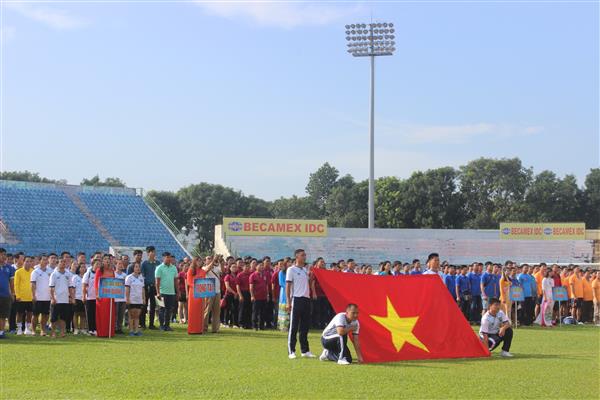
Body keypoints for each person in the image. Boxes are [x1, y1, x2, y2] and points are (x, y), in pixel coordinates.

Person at [286, 249, 315, 359]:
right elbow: (288, 286)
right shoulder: (291, 270)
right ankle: (291, 351)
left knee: (304, 327)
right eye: (302, 255)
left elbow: (309, 282)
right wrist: (289, 302)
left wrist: (311, 276)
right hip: (296, 299)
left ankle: (305, 350)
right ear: (297, 257)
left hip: (306, 299)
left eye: (305, 255)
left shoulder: (305, 270)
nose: (304, 257)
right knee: (294, 326)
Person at [49, 259, 75, 338]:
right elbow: (51, 287)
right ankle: (53, 332)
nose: (63, 263)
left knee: (64, 318)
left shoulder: (68, 274)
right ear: (57, 264)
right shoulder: (54, 274)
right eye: (61, 262)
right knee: (54, 318)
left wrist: (72, 297)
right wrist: (53, 298)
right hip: (57, 299)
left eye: (64, 262)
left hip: (65, 299)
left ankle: (62, 332)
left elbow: (70, 287)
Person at [155, 252, 179, 332]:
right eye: (167, 257)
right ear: (163, 258)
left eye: (170, 257)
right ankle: (161, 325)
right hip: (162, 292)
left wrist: (177, 292)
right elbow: (157, 282)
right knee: (162, 309)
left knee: (169, 310)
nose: (169, 259)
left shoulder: (174, 268)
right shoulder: (159, 268)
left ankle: (167, 325)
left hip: (171, 292)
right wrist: (158, 292)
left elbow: (176, 281)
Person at [30, 254, 53, 336]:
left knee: (45, 315)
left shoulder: (50, 271)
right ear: (40, 261)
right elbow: (32, 284)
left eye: (46, 259)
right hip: (38, 297)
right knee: (35, 315)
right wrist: (33, 295)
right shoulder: (35, 271)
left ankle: (42, 330)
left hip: (47, 297)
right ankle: (33, 330)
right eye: (43, 259)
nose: (45, 261)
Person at [94, 256, 116, 338]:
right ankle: (102, 332)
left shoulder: (112, 271)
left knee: (109, 314)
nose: (107, 261)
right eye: (105, 259)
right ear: (103, 261)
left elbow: (115, 283)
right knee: (102, 315)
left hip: (110, 297)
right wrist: (97, 294)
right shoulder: (99, 270)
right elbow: (96, 283)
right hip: (101, 296)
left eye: (108, 259)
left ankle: (109, 332)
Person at [141, 246, 160, 329]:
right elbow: (142, 275)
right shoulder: (144, 263)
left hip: (155, 287)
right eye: (152, 252)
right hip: (146, 287)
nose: (153, 253)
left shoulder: (158, 263)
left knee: (153, 306)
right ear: (148, 253)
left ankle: (151, 324)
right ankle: (143, 323)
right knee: (144, 306)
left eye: (154, 252)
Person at [14, 255, 33, 335]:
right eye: (27, 261)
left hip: (31, 297)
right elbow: (16, 284)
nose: (28, 263)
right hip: (21, 297)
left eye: (30, 261)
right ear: (23, 262)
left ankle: (27, 329)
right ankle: (19, 329)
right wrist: (17, 296)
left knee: (29, 313)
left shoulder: (33, 271)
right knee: (20, 314)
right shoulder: (18, 272)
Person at [186, 257, 206, 334]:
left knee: (200, 311)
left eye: (201, 261)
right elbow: (189, 282)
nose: (200, 262)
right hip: (193, 293)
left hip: (201, 293)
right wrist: (196, 286)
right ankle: (191, 329)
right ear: (195, 262)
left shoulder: (203, 271)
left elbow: (204, 281)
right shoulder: (191, 270)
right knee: (192, 311)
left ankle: (199, 329)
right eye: (198, 261)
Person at [202, 255, 222, 333]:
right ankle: (204, 328)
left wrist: (221, 261)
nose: (210, 260)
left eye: (211, 258)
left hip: (217, 291)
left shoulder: (216, 268)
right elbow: (206, 270)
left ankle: (215, 329)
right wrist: (213, 260)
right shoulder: (203, 268)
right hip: (208, 290)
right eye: (208, 259)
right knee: (207, 310)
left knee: (217, 311)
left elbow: (223, 271)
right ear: (205, 261)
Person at [125, 262, 145, 336]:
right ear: (133, 268)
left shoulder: (141, 277)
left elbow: (143, 289)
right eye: (136, 267)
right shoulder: (129, 277)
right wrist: (127, 299)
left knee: (137, 316)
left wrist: (144, 298)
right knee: (131, 315)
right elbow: (127, 289)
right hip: (132, 299)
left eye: (139, 267)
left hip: (139, 299)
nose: (138, 268)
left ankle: (136, 330)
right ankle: (131, 330)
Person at [0, 248, 15, 339]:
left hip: (5, 295)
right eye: (1, 254)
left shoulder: (10, 268)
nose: (3, 256)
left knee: (3, 315)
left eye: (4, 254)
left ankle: (1, 332)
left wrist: (12, 293)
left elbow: (11, 282)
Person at [249, 261, 268, 331]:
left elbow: (266, 286)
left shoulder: (264, 275)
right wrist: (252, 296)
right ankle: (254, 326)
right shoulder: (253, 275)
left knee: (263, 312)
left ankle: (261, 326)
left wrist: (267, 295)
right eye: (260, 265)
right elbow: (251, 287)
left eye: (262, 265)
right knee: (255, 312)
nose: (261, 267)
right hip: (256, 297)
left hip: (264, 297)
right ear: (256, 267)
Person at [82, 259, 99, 336]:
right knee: (90, 314)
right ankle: (90, 329)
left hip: (98, 298)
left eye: (99, 264)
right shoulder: (88, 274)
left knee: (96, 314)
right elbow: (84, 286)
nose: (98, 265)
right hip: (89, 298)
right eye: (97, 264)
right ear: (93, 265)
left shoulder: (100, 274)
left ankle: (95, 329)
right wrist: (84, 296)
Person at [71, 263, 87, 335]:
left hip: (84, 298)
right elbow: (73, 289)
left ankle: (82, 328)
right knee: (76, 314)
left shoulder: (86, 277)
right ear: (79, 269)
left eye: (84, 267)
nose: (83, 269)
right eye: (81, 267)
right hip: (77, 297)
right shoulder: (75, 277)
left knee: (83, 314)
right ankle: (76, 329)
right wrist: (73, 298)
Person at [236, 262, 252, 329]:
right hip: (243, 292)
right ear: (243, 267)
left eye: (248, 266)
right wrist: (240, 295)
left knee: (249, 309)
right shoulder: (240, 275)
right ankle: (241, 323)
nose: (247, 268)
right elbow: (237, 286)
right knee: (242, 309)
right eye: (246, 266)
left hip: (249, 293)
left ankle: (248, 323)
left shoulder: (251, 274)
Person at [223, 263, 239, 328]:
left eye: (235, 267)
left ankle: (234, 323)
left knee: (235, 309)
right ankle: (226, 322)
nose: (234, 268)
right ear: (230, 268)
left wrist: (237, 293)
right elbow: (227, 287)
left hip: (236, 294)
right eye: (233, 267)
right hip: (229, 294)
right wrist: (234, 293)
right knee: (228, 309)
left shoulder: (237, 276)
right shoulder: (227, 276)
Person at [114, 260, 127, 334]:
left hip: (123, 297)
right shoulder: (113, 274)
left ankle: (119, 328)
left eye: (121, 264)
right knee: (115, 314)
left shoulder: (125, 275)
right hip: (115, 297)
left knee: (121, 314)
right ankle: (114, 327)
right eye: (119, 264)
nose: (120, 265)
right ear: (116, 265)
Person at [277, 260, 290, 331]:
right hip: (284, 292)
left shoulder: (291, 272)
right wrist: (289, 287)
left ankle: (289, 326)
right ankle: (283, 327)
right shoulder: (281, 272)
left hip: (291, 292)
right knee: (284, 309)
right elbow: (281, 283)